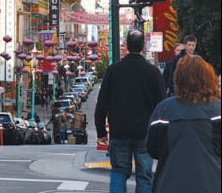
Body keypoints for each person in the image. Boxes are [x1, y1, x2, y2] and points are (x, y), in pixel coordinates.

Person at [95, 29, 166, 193]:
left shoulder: (113, 70)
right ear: (143, 47)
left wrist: (101, 131)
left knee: (119, 171)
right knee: (144, 175)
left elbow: (102, 103)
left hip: (119, 131)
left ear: (126, 46)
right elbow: (161, 105)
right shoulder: (153, 72)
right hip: (144, 133)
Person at [147, 55, 221, 193]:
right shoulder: (217, 111)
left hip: (170, 183)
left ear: (178, 79)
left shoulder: (163, 110)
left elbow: (152, 148)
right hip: (212, 183)